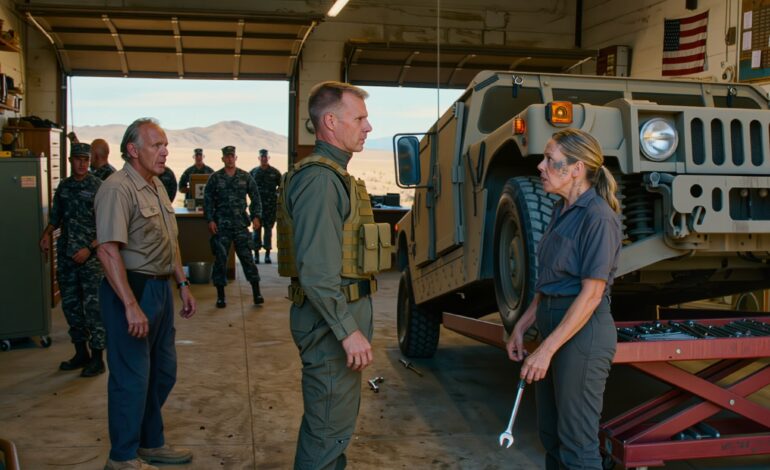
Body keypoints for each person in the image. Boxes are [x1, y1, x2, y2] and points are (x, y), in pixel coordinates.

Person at [277, 81, 381, 469]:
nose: (368, 127)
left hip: (336, 318)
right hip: (330, 323)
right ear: (331, 122)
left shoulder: (334, 175)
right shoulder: (320, 181)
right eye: (360, 118)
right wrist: (347, 330)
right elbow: (317, 273)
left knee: (333, 423)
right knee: (326, 430)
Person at [505, 128, 622, 470]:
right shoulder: (560, 210)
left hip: (583, 333)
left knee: (577, 444)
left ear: (576, 169)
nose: (541, 166)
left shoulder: (598, 217)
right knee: (551, 436)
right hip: (554, 325)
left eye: (550, 160)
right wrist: (521, 327)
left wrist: (546, 350)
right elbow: (551, 283)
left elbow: (591, 294)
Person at [95, 118, 196, 470]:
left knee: (162, 372)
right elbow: (107, 250)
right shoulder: (116, 189)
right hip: (131, 288)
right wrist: (130, 306)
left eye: (165, 144)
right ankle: (122, 456)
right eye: (156, 145)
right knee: (131, 378)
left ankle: (150, 443)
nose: (165, 151)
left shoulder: (155, 186)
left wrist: (181, 284)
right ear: (133, 150)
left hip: (159, 288)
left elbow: (170, 239)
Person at [38, 142, 106, 377]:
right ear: (70, 161)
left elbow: (108, 226)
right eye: (77, 159)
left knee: (93, 309)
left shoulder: (99, 187)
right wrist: (46, 234)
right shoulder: (64, 187)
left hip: (91, 260)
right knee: (72, 307)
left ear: (90, 161)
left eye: (86, 159)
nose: (82, 163)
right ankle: (81, 353)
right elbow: (56, 217)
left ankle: (97, 359)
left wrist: (89, 248)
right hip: (67, 257)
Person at [203, 145, 264, 308]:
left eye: (232, 156)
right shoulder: (215, 178)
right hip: (221, 226)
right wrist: (210, 220)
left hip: (240, 226)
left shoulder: (245, 177)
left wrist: (256, 216)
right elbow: (207, 200)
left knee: (247, 259)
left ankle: (257, 293)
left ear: (236, 158)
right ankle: (221, 296)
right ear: (222, 159)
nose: (230, 159)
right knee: (220, 261)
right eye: (227, 156)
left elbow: (255, 197)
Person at [249, 148, 282, 264]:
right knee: (256, 231)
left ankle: (267, 254)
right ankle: (256, 255)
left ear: (268, 158)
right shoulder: (253, 172)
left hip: (270, 208)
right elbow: (248, 188)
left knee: (268, 232)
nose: (263, 159)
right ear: (259, 158)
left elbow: (282, 186)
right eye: (261, 157)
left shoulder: (274, 172)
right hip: (256, 208)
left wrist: (277, 195)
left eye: (265, 157)